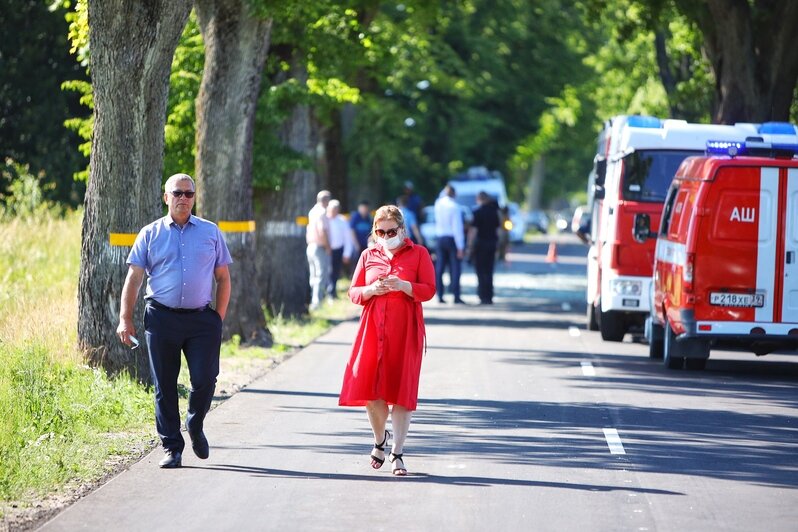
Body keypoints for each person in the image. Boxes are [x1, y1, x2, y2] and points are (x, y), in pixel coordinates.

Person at [116, 173, 232, 469]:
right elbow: (134, 278)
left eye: (188, 193)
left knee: (205, 379)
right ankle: (172, 447)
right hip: (161, 318)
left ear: (195, 198)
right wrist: (124, 318)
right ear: (166, 197)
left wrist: (217, 318)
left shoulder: (210, 232)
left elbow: (223, 278)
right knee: (165, 385)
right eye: (177, 193)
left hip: (201, 320)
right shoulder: (150, 233)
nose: (183, 198)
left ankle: (195, 422)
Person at [339, 205, 436, 476]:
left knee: (402, 391)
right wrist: (370, 290)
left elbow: (429, 289)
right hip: (372, 331)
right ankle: (380, 440)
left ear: (402, 229)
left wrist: (405, 286)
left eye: (391, 231)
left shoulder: (419, 254)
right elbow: (353, 292)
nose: (385, 236)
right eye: (379, 231)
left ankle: (398, 452)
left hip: (405, 331)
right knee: (372, 390)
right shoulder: (368, 254)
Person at [434, 184, 466, 304]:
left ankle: (440, 294)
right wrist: (460, 247)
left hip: (440, 238)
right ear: (454, 194)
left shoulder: (438, 204)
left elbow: (441, 196)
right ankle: (456, 295)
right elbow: (457, 228)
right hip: (452, 239)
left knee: (440, 268)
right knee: (455, 268)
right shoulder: (455, 207)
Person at [468, 191, 501, 304]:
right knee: (490, 270)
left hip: (480, 244)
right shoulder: (494, 212)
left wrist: (470, 245)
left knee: (480, 271)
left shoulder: (477, 212)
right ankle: (489, 295)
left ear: (479, 199)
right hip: (491, 244)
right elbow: (498, 230)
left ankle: (482, 296)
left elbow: (474, 231)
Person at [306, 190, 332, 310]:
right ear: (326, 200)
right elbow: (323, 231)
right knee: (321, 274)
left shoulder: (312, 211)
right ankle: (317, 302)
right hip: (319, 246)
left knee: (313, 274)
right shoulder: (322, 212)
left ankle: (313, 299)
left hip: (310, 246)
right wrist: (328, 246)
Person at [326, 199, 355, 299]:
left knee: (335, 271)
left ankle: (332, 292)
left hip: (338, 250)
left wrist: (347, 253)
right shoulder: (325, 219)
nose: (333, 211)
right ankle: (326, 292)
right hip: (326, 250)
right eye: (331, 209)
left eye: (335, 209)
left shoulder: (342, 220)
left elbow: (347, 238)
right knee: (326, 271)